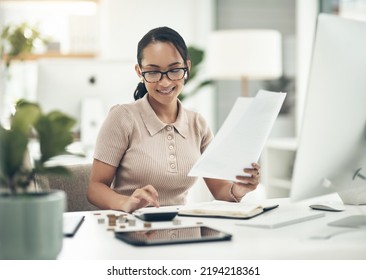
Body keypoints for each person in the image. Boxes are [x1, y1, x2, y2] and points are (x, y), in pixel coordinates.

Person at [87, 26, 260, 213]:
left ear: (187, 67)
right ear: (139, 71)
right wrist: (125, 203)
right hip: (135, 232)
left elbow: (219, 189)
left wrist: (238, 189)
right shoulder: (123, 118)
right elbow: (95, 188)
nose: (165, 82)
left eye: (174, 70)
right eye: (153, 72)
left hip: (185, 231)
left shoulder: (197, 123)